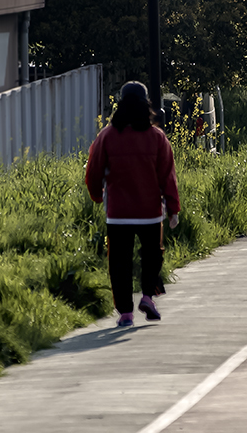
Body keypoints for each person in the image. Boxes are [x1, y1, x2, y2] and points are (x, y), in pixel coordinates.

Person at [85, 81, 180, 327]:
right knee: (152, 256)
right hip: (149, 212)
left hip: (118, 213)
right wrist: (173, 209)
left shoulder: (106, 136)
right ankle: (147, 296)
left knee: (119, 262)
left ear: (120, 104)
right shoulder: (157, 137)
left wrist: (96, 195)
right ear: (146, 104)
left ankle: (125, 312)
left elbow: (94, 170)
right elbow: (167, 175)